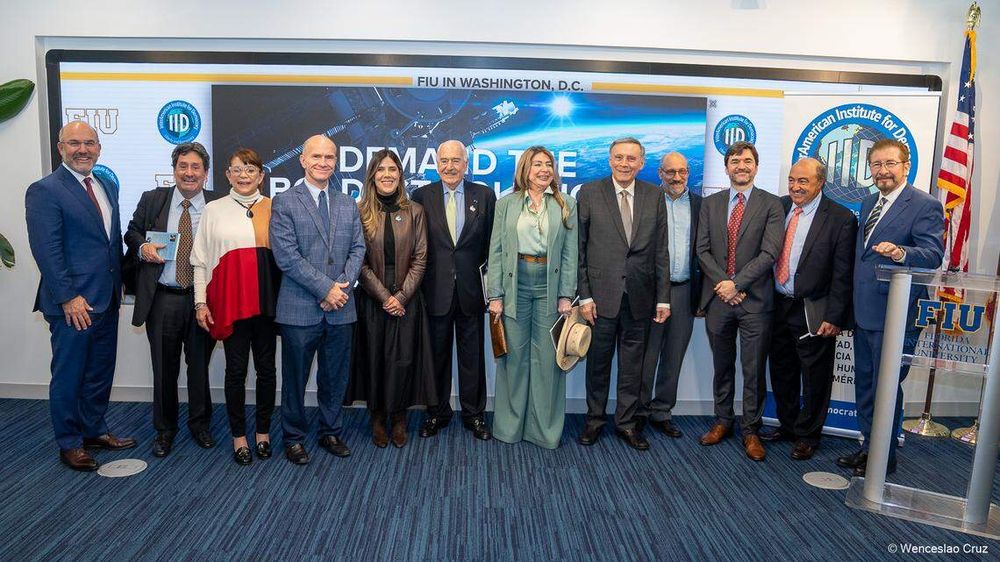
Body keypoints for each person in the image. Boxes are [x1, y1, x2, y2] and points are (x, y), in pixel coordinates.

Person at [25, 120, 133, 471]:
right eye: (74, 143)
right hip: (74, 304)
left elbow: (107, 242)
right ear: (61, 148)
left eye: (89, 142)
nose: (82, 149)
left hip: (106, 297)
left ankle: (94, 430)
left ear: (99, 148)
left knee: (100, 372)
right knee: (70, 374)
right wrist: (68, 296)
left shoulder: (104, 185)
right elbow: (47, 250)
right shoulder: (45, 190)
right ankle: (69, 443)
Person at [836, 139, 944, 477]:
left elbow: (933, 255)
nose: (883, 171)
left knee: (886, 385)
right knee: (866, 383)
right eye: (877, 165)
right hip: (865, 310)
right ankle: (868, 447)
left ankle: (884, 456)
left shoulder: (924, 205)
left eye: (890, 164)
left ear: (905, 166)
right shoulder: (870, 202)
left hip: (898, 314)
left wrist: (900, 253)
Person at [269, 134, 366, 465]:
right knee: (295, 380)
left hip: (342, 308)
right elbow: (286, 256)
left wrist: (339, 288)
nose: (324, 163)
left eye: (330, 157)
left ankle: (330, 431)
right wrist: (326, 289)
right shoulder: (284, 202)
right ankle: (293, 437)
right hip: (299, 309)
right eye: (317, 157)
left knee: (334, 377)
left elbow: (358, 250)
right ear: (303, 160)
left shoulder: (346, 202)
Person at [124, 142, 223, 458]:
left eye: (196, 167)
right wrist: (142, 249)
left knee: (199, 366)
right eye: (183, 166)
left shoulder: (218, 204)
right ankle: (165, 430)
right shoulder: (153, 200)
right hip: (163, 299)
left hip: (202, 300)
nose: (189, 173)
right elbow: (132, 233)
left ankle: (200, 424)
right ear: (174, 170)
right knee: (163, 369)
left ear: (205, 173)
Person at [577, 137, 670, 451]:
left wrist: (663, 297)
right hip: (600, 298)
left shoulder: (654, 195)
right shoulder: (589, 192)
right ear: (609, 160)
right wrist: (585, 296)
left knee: (632, 368)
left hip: (640, 297)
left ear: (641, 163)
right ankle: (594, 421)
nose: (625, 164)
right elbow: (579, 249)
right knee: (598, 364)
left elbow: (661, 251)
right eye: (619, 157)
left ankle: (627, 424)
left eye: (631, 158)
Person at [191, 148, 281, 465]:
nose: (244, 175)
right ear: (227, 175)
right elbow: (199, 261)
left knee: (267, 371)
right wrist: (200, 301)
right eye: (237, 170)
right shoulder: (214, 210)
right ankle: (239, 436)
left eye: (250, 169)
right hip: (230, 304)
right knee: (236, 371)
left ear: (261, 175)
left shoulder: (275, 208)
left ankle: (263, 433)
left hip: (266, 305)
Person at [762, 158, 856, 460]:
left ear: (820, 183)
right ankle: (788, 426)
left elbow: (843, 273)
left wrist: (834, 316)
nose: (795, 186)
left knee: (815, 377)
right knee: (782, 369)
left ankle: (808, 435)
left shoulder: (841, 218)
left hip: (813, 309)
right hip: (777, 304)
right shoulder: (779, 207)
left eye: (803, 181)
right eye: (792, 180)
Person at [695, 141, 784, 461]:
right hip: (719, 299)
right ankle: (723, 420)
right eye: (735, 161)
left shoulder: (772, 205)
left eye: (747, 161)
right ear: (727, 167)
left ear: (756, 166)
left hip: (755, 301)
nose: (741, 166)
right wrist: (724, 285)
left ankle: (751, 429)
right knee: (722, 367)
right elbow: (702, 250)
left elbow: (770, 252)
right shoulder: (711, 203)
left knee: (753, 369)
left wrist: (738, 284)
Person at [488, 146, 578, 449]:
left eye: (548, 164)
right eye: (537, 164)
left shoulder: (566, 204)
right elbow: (497, 253)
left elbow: (570, 254)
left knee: (548, 362)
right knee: (513, 358)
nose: (544, 169)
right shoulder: (507, 204)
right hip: (515, 286)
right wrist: (495, 296)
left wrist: (566, 295)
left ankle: (544, 431)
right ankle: (510, 427)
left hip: (550, 290)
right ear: (525, 169)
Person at [345, 149, 436, 448]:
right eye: (381, 169)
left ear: (400, 174)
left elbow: (421, 259)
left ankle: (399, 418)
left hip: (407, 301)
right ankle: (377, 417)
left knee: (402, 361)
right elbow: (358, 260)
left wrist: (401, 297)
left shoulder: (415, 211)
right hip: (372, 299)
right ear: (372, 175)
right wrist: (385, 297)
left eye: (392, 169)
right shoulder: (359, 212)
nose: (387, 174)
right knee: (374, 360)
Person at [411, 140, 496, 441]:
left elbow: (491, 247)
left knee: (473, 358)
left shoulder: (484, 195)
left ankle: (474, 415)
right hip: (434, 292)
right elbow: (416, 247)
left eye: (456, 161)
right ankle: (436, 413)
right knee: (436, 357)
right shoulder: (421, 196)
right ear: (436, 164)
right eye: (444, 161)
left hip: (472, 293)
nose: (450, 167)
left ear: (466, 164)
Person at [638, 152, 702, 439]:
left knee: (673, 356)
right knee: (645, 356)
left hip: (685, 290)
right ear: (660, 173)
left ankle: (662, 411)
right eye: (670, 172)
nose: (677, 177)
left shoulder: (702, 205)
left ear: (688, 173)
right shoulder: (649, 201)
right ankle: (637, 411)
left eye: (682, 172)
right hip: (651, 293)